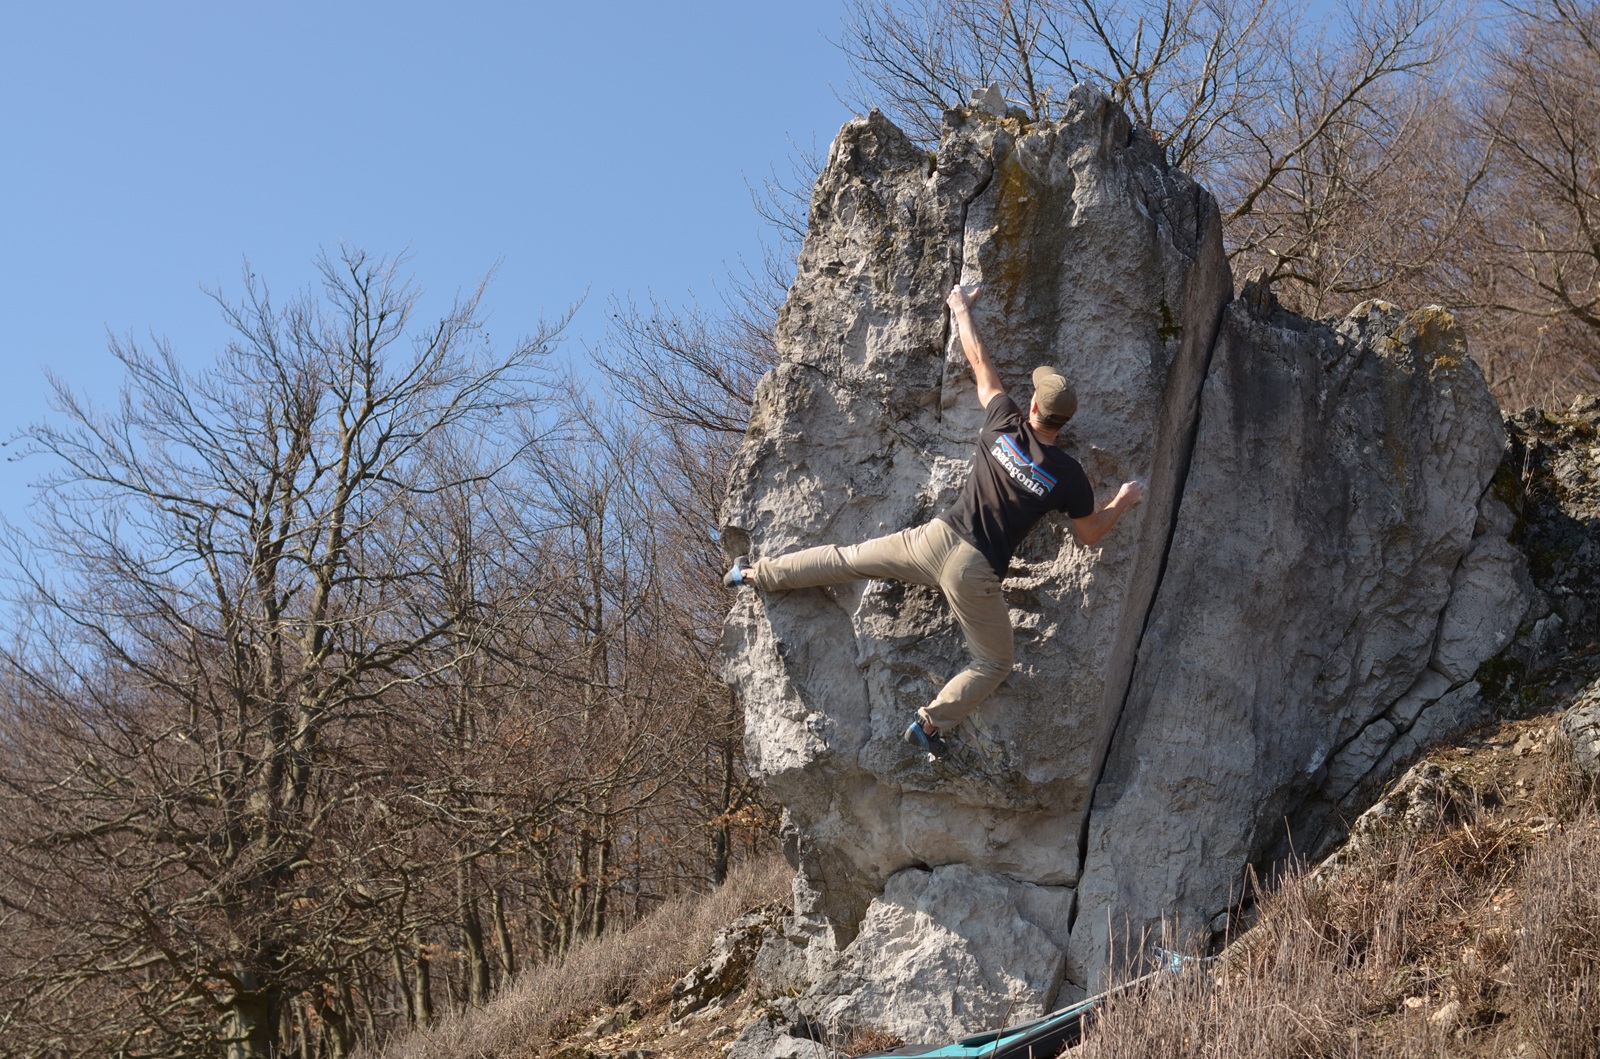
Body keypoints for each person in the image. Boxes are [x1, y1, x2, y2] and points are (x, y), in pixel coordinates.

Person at [724, 284, 1146, 760]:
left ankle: (757, 573)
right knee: (994, 662)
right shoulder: (1068, 476)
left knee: (847, 560)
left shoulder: (1003, 422)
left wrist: (960, 308)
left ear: (1032, 406)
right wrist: (1124, 501)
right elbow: (1088, 535)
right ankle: (928, 723)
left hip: (934, 537)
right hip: (974, 571)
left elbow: (980, 362)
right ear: (1063, 422)